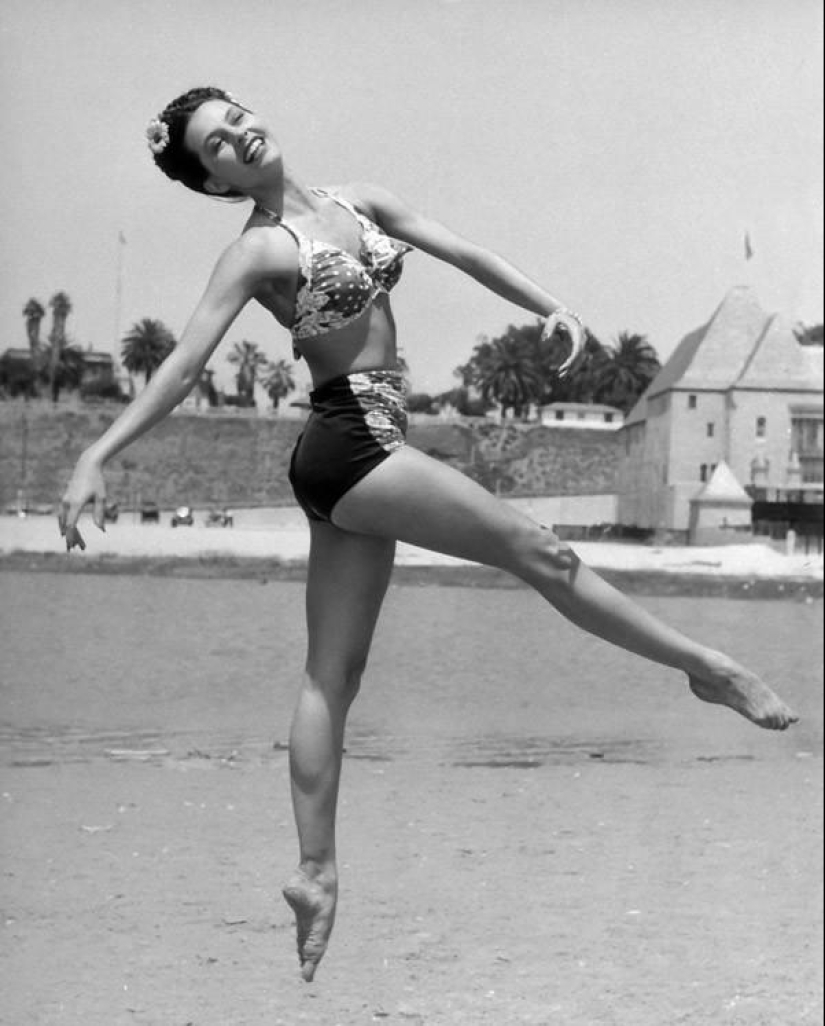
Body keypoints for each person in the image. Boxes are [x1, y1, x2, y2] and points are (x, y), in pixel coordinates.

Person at [58, 86, 797, 983]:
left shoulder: (357, 201)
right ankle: (705, 668)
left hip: (365, 447)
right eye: (218, 145)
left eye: (238, 117)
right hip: (350, 443)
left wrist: (547, 306)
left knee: (333, 674)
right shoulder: (256, 250)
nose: (241, 136)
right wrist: (95, 455)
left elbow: (462, 249)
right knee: (543, 552)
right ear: (212, 179)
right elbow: (181, 368)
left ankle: (315, 872)